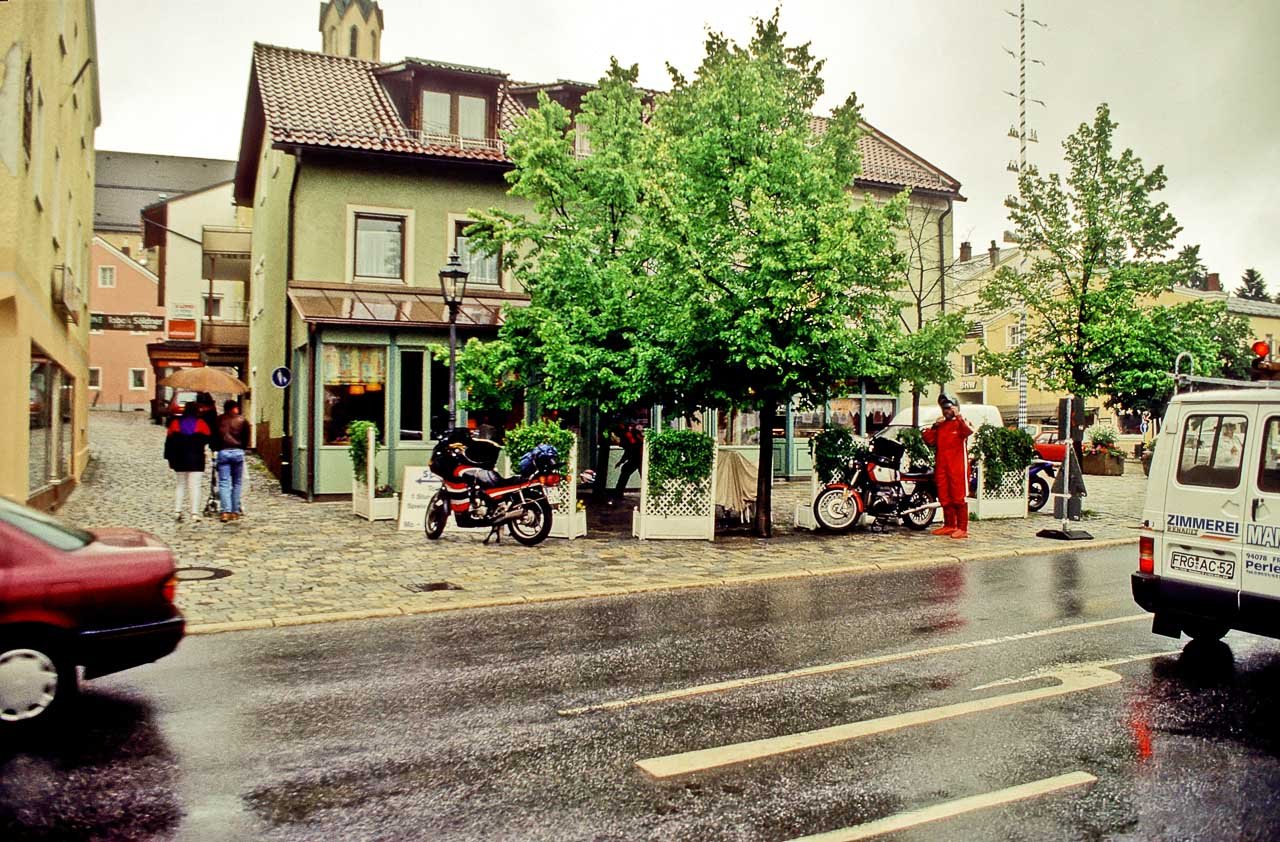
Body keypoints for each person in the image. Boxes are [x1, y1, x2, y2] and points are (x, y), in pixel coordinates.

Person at [922, 393, 974, 539]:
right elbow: (929, 439)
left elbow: (969, 431)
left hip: (957, 466)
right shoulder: (941, 425)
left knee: (958, 497)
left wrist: (959, 416)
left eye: (949, 408)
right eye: (944, 408)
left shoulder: (961, 422)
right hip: (942, 465)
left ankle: (962, 528)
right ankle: (949, 525)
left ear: (956, 408)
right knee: (944, 496)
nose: (946, 411)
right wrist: (934, 426)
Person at [164, 402, 212, 522]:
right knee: (195, 486)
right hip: (196, 459)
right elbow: (208, 438)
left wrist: (169, 458)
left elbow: (168, 443)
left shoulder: (175, 423)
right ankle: (194, 513)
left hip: (179, 459)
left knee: (180, 485)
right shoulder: (201, 424)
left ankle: (177, 511)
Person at [215, 399, 250, 523]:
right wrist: (242, 448)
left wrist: (216, 448)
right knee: (237, 483)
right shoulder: (242, 420)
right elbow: (246, 438)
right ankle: (235, 512)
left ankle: (225, 512)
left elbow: (214, 437)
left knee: (224, 482)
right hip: (238, 452)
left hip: (223, 452)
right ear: (235, 408)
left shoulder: (219, 420)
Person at [611, 421, 644, 503]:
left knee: (626, 472)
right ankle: (618, 494)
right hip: (638, 458)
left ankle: (618, 494)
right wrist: (621, 461)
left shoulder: (628, 436)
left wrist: (621, 461)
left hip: (637, 458)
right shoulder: (632, 434)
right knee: (641, 475)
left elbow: (630, 450)